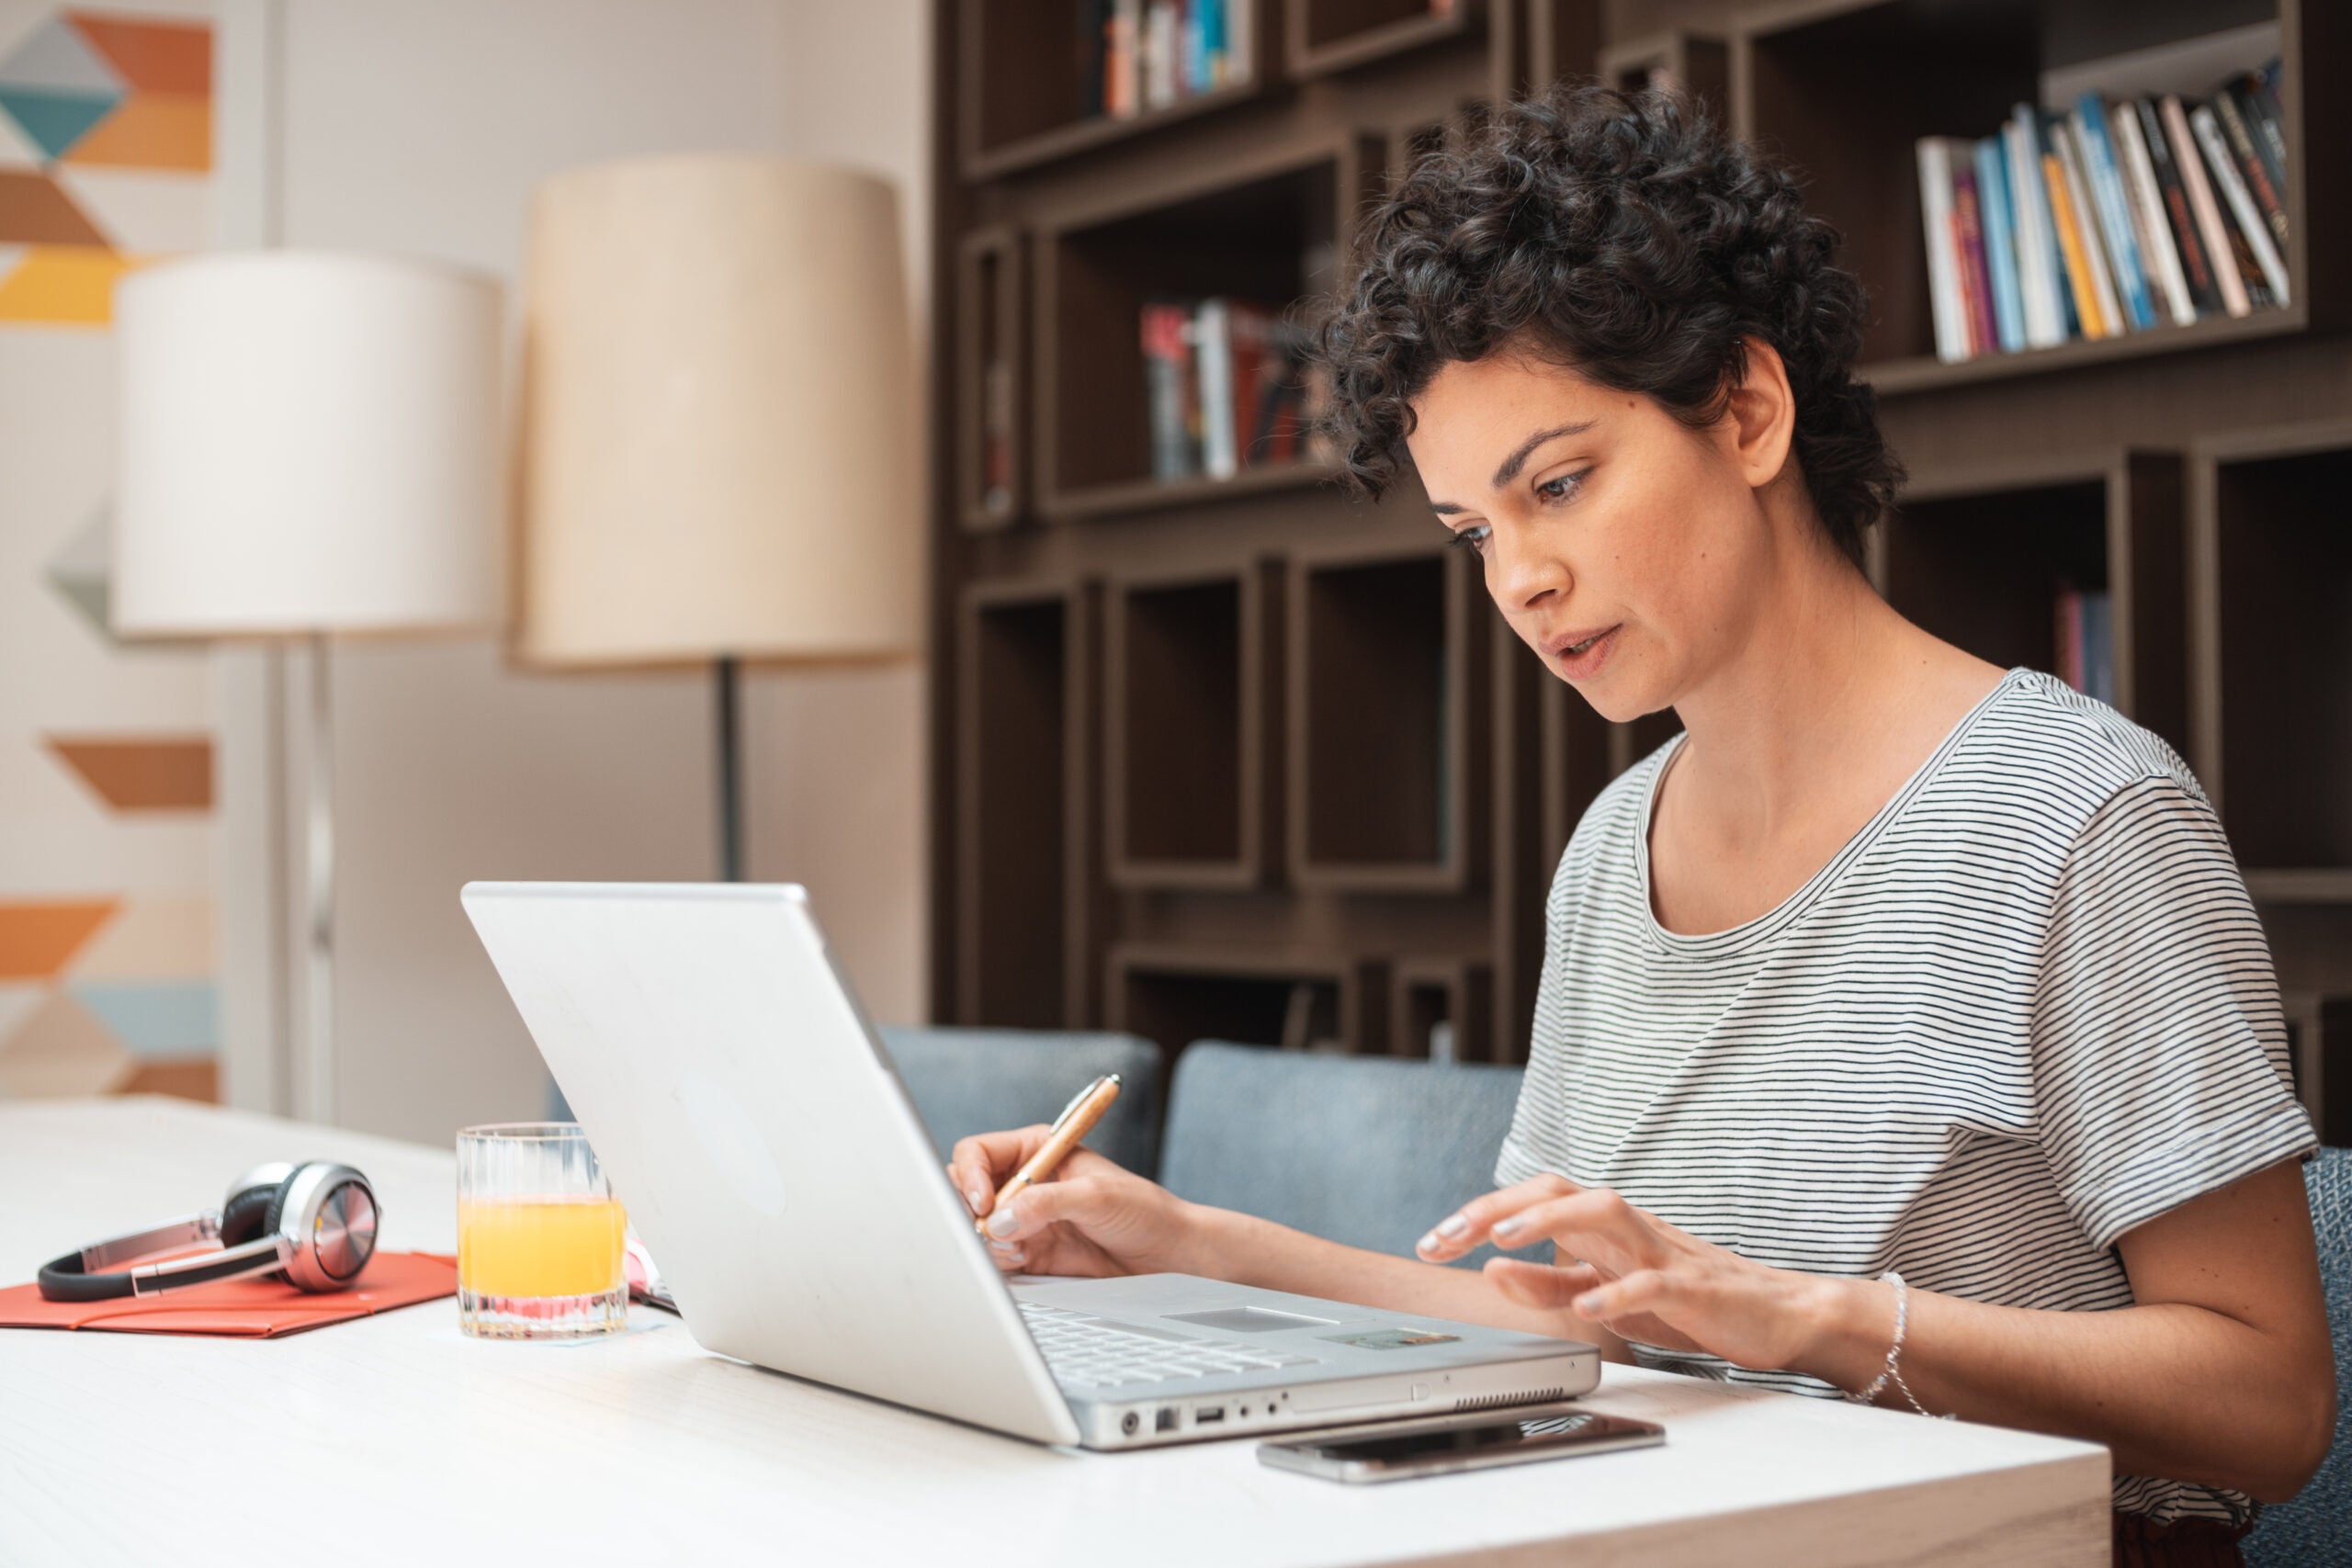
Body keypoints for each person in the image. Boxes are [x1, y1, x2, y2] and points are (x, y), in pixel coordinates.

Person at [948, 84, 2335, 1563]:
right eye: (1476, 530)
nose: (1519, 580)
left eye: (1559, 485)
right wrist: (1181, 1241)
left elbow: (2270, 1399)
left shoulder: (2075, 817)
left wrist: (1811, 1321)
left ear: (1747, 411)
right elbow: (1564, 1327)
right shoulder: (1615, 850)